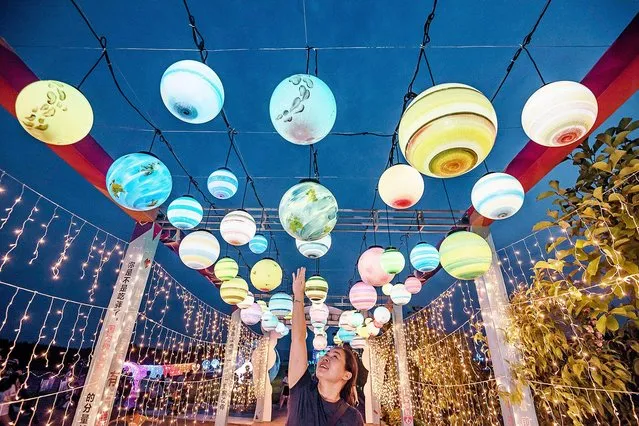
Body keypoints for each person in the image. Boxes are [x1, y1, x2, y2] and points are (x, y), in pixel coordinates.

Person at [287, 267, 364, 426]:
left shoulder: (352, 418)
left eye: (334, 356)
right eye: (327, 354)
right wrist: (299, 296)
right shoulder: (302, 391)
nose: (325, 358)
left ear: (346, 375)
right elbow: (298, 339)